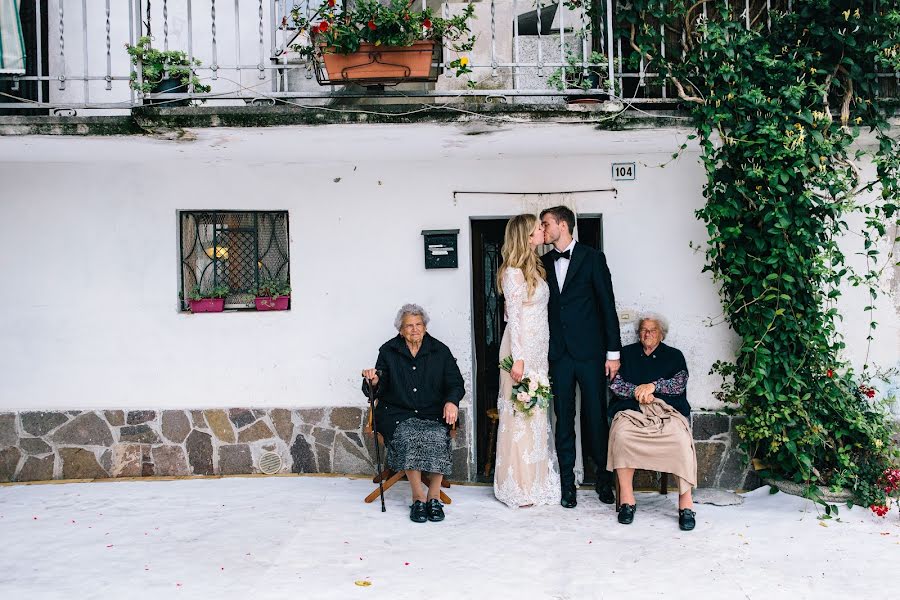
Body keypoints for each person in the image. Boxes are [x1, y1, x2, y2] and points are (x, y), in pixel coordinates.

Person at [540, 205, 622, 508]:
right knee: (563, 420)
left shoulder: (593, 258)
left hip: (590, 354)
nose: (544, 230)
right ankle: (567, 486)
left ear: (563, 224)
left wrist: (613, 354)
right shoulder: (543, 262)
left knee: (595, 419)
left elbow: (607, 306)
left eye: (546, 224)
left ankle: (603, 479)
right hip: (559, 355)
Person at [362, 304, 465, 523]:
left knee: (437, 436)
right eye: (409, 326)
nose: (414, 329)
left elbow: (455, 383)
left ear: (425, 327)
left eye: (418, 324)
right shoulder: (388, 350)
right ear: (400, 330)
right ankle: (418, 498)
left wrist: (451, 401)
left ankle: (434, 497)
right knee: (410, 436)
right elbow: (379, 383)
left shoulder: (440, 350)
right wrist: (374, 380)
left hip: (433, 412)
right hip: (398, 413)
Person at [493, 214, 562, 508]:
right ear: (526, 235)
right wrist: (518, 360)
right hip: (521, 351)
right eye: (537, 228)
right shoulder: (512, 272)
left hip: (538, 350)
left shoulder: (534, 267)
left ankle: (536, 479)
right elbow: (516, 318)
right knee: (520, 414)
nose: (541, 231)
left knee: (536, 414)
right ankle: (518, 484)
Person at [607, 313, 697, 531]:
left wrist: (653, 387)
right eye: (643, 330)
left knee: (680, 440)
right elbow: (615, 384)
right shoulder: (626, 354)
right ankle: (628, 501)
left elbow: (679, 384)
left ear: (661, 334)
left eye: (652, 330)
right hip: (631, 409)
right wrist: (639, 391)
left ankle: (686, 504)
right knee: (622, 436)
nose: (646, 334)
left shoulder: (674, 356)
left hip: (666, 411)